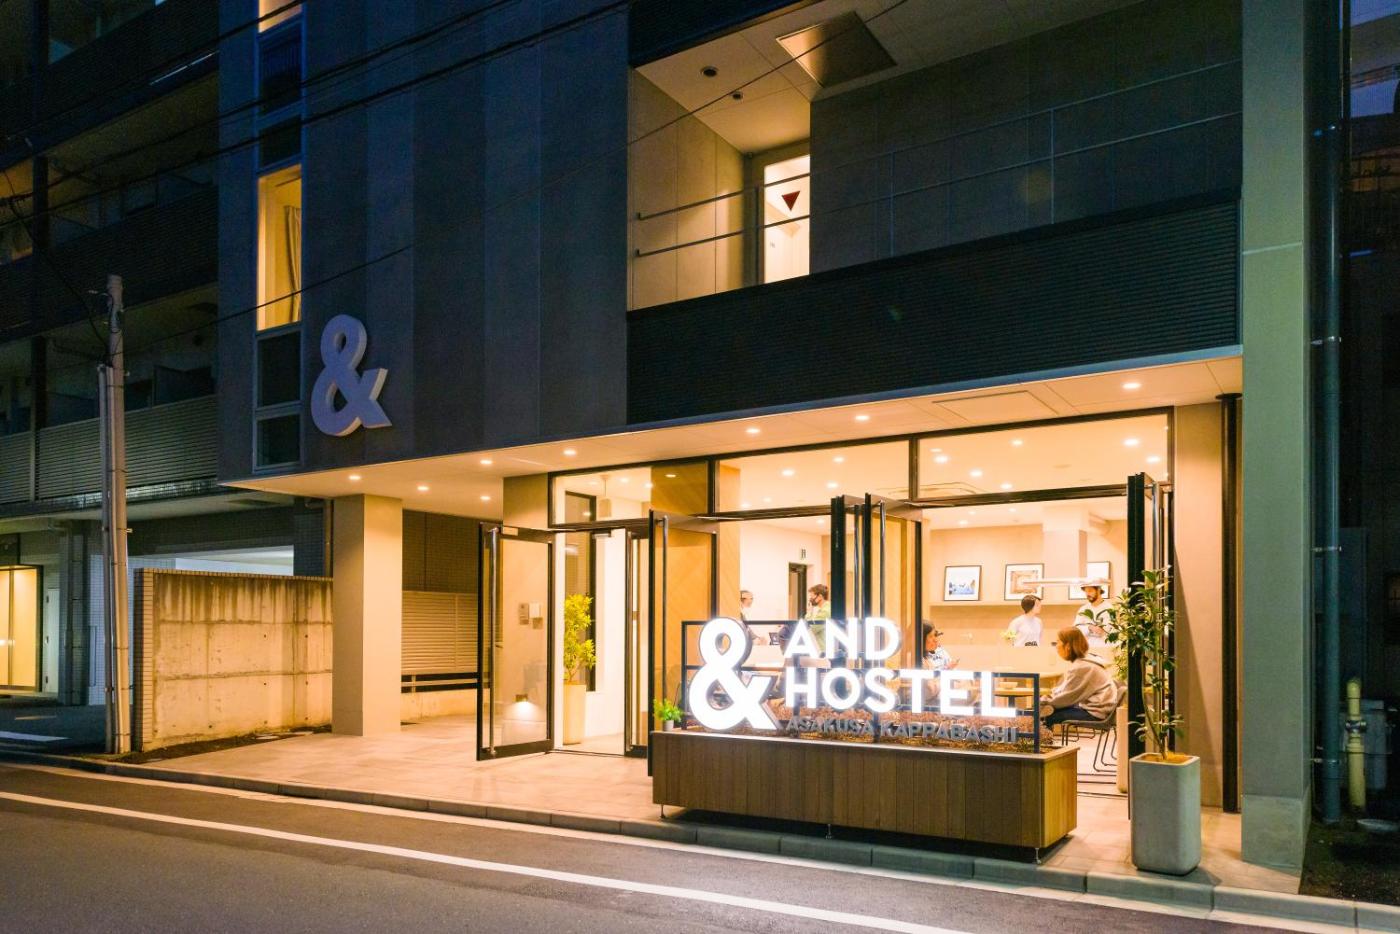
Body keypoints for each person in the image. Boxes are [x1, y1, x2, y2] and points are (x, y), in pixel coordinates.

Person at [1040, 627, 1116, 727]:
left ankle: (1040, 736)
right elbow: (1066, 689)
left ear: (1068, 646)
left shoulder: (1082, 667)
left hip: (1096, 713)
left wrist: (1043, 701)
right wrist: (1048, 697)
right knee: (1045, 709)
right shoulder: (1086, 661)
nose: (1056, 646)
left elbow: (1067, 697)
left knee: (1046, 715)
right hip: (1100, 709)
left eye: (1058, 642)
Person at [1075, 579, 1114, 651]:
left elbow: (1113, 631)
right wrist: (1089, 627)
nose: (1087, 594)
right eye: (1086, 591)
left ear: (1098, 590)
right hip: (1087, 647)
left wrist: (1102, 631)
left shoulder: (1110, 609)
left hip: (1105, 647)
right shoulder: (1083, 609)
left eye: (1090, 591)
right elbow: (1076, 629)